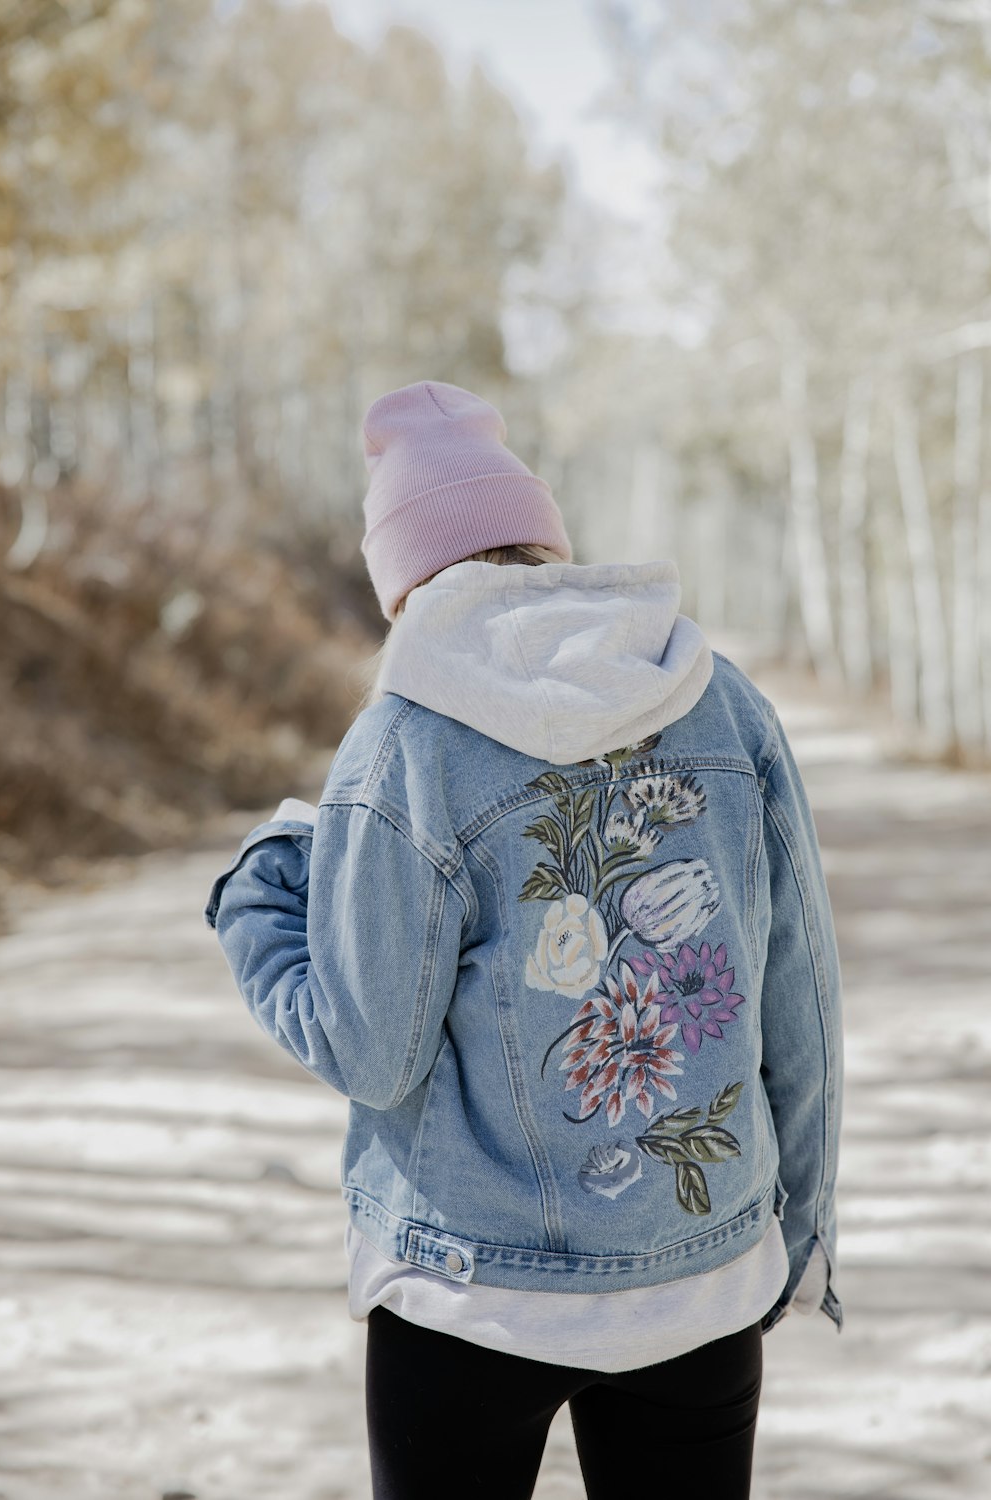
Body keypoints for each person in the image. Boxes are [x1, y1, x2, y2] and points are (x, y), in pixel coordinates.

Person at [204, 379, 844, 1500]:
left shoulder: (404, 743)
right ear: (542, 541)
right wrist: (796, 1236)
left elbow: (370, 1049)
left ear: (402, 581)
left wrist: (259, 897)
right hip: (697, 1291)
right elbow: (800, 998)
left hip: (466, 1298)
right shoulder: (719, 702)